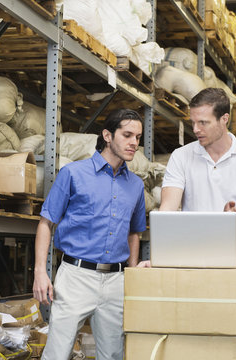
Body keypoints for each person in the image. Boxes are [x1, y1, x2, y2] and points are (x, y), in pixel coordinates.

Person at [32, 109, 147, 360]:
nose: (134, 143)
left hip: (116, 280)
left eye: (138, 137)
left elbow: (134, 233)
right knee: (57, 353)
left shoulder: (136, 186)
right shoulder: (73, 173)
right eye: (127, 135)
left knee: (113, 354)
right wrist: (40, 272)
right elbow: (45, 223)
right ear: (107, 135)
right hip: (76, 276)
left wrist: (133, 270)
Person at [159, 87, 236, 268]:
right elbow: (168, 207)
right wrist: (160, 256)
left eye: (203, 123)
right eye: (193, 122)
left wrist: (234, 213)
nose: (196, 129)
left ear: (224, 119)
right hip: (191, 258)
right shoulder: (181, 156)